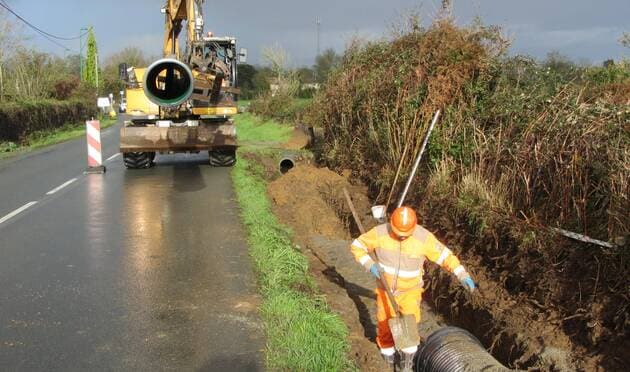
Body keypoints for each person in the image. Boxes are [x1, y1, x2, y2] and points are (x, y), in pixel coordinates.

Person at [350, 206, 476, 371]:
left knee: (408, 329)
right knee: (384, 325)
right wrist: (370, 265)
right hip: (385, 291)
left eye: (405, 235)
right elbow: (357, 246)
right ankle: (387, 361)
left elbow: (445, 256)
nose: (401, 238)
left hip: (410, 292)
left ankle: (406, 365)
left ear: (414, 228)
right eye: (398, 234)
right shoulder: (380, 233)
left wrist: (462, 274)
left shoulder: (423, 239)